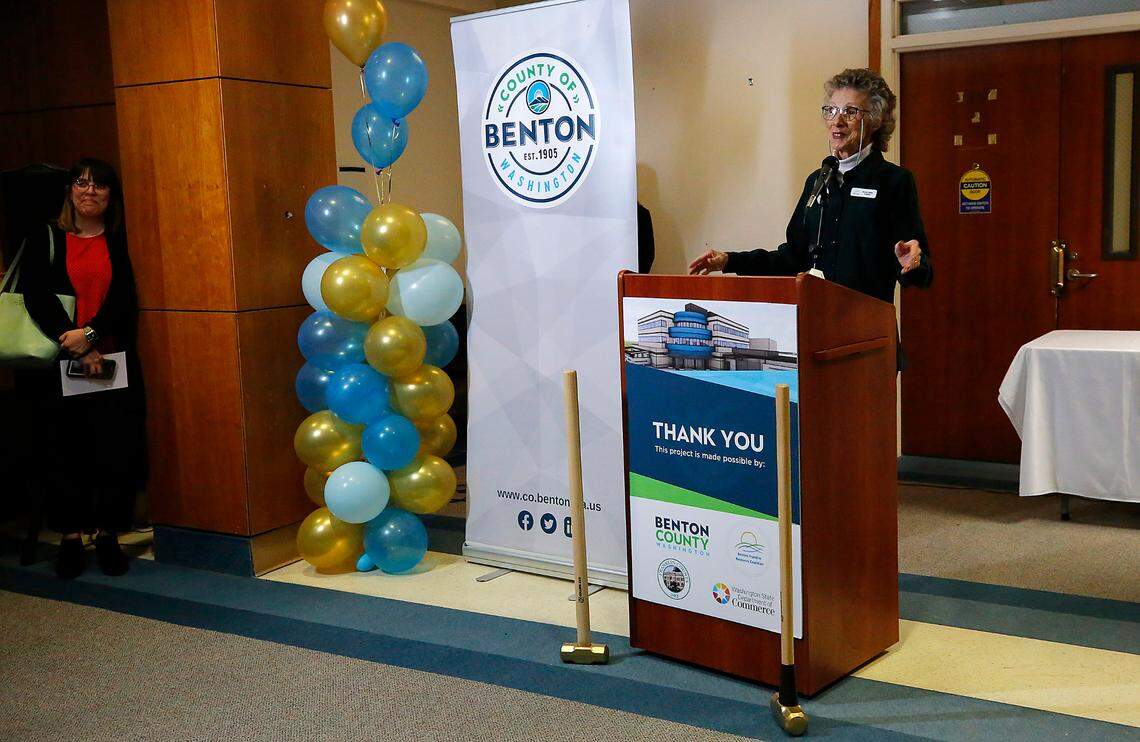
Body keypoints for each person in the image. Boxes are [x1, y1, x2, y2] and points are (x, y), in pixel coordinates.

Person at [688, 68, 932, 315]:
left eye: (850, 111)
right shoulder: (818, 180)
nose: (837, 121)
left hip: (866, 325)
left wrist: (911, 264)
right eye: (831, 110)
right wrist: (730, 260)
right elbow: (792, 258)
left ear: (876, 120)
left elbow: (922, 273)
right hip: (815, 321)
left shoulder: (894, 181)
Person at [17, 158, 145, 579]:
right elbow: (36, 295)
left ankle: (107, 536)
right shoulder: (47, 235)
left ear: (111, 196)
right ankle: (71, 538)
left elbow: (124, 296)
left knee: (113, 450)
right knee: (64, 450)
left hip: (111, 359)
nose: (90, 192)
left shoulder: (119, 238)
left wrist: (91, 336)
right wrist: (73, 342)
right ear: (70, 190)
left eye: (99, 186)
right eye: (82, 183)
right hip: (60, 360)